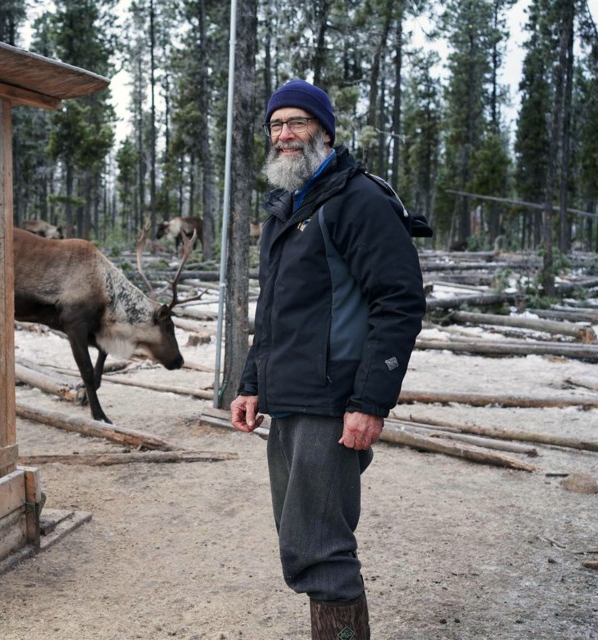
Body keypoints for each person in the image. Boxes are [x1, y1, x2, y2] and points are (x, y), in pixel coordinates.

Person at [230, 79, 426, 640]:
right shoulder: (287, 206)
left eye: (297, 122)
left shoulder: (358, 198)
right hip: (290, 399)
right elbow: (272, 312)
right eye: (276, 125)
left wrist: (370, 403)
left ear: (325, 130)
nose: (285, 134)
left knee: (322, 549)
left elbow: (400, 302)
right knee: (300, 542)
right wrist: (251, 385)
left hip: (333, 403)